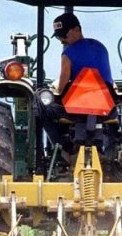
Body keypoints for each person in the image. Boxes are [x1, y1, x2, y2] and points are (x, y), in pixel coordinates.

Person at [38, 12, 114, 147]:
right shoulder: (101, 47)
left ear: (77, 30)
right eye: (58, 37)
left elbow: (60, 88)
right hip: (106, 106)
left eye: (64, 36)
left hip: (76, 108)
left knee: (39, 104)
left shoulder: (67, 53)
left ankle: (59, 145)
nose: (62, 40)